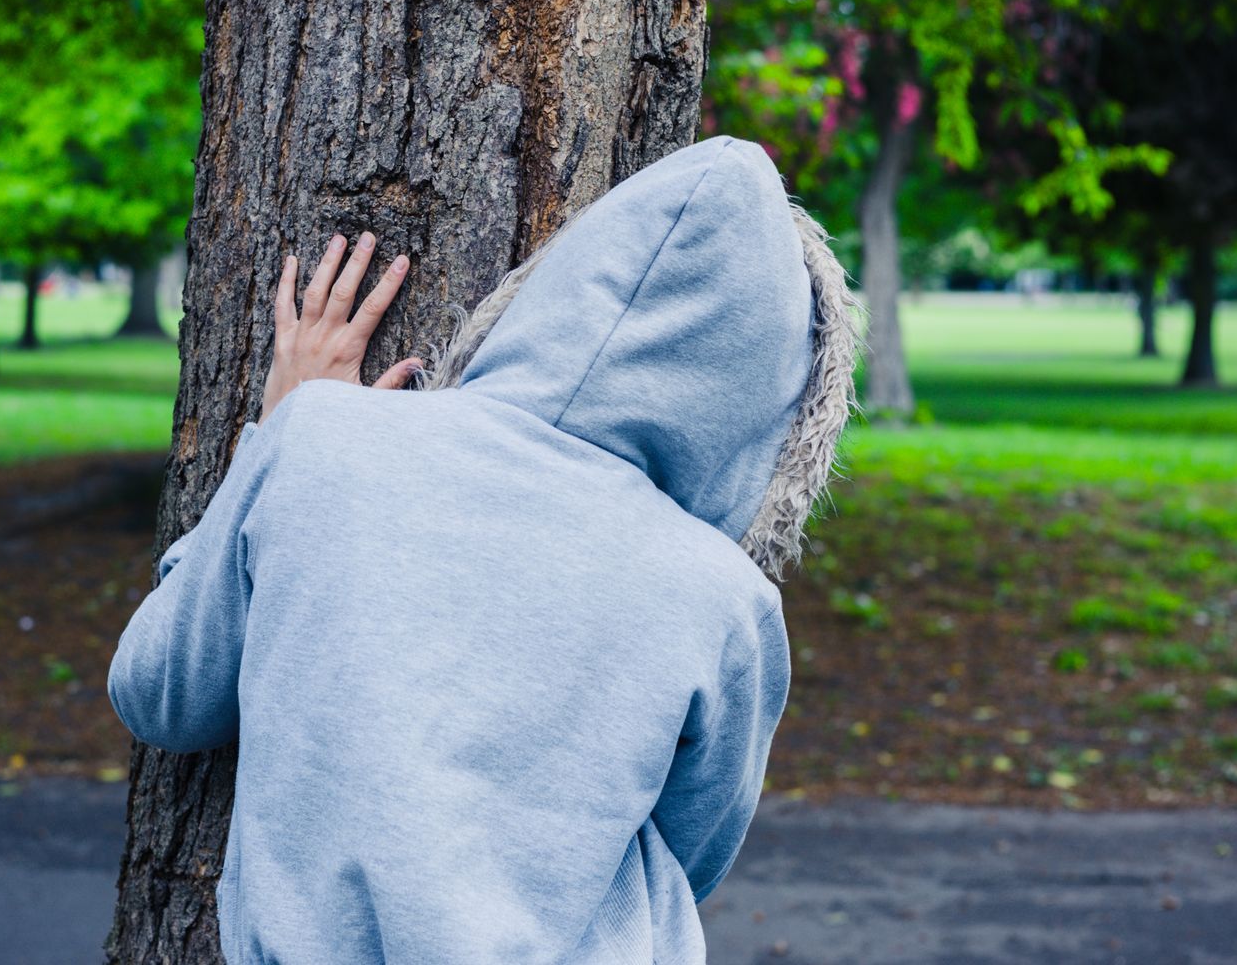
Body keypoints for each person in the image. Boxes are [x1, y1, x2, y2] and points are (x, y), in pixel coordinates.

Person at [109, 136, 860, 962]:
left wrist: (277, 429)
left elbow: (160, 694)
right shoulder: (725, 599)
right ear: (758, 400)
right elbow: (693, 855)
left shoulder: (322, 440)